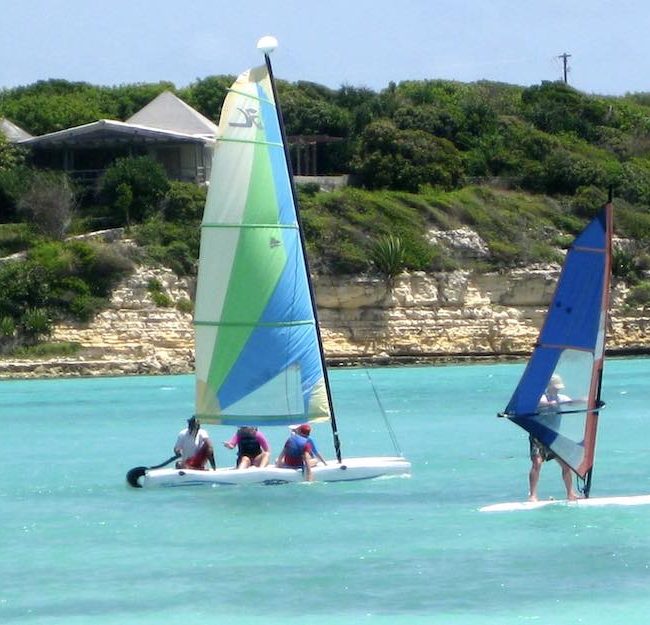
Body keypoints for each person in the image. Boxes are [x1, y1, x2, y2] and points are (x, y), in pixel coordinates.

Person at [528, 374, 578, 501]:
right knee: (537, 463)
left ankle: (570, 493)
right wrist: (554, 403)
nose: (558, 390)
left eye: (559, 388)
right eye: (555, 387)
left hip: (553, 436)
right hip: (538, 436)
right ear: (548, 386)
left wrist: (585, 400)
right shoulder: (541, 398)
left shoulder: (561, 397)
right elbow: (544, 403)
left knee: (566, 465)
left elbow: (571, 402)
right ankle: (533, 495)